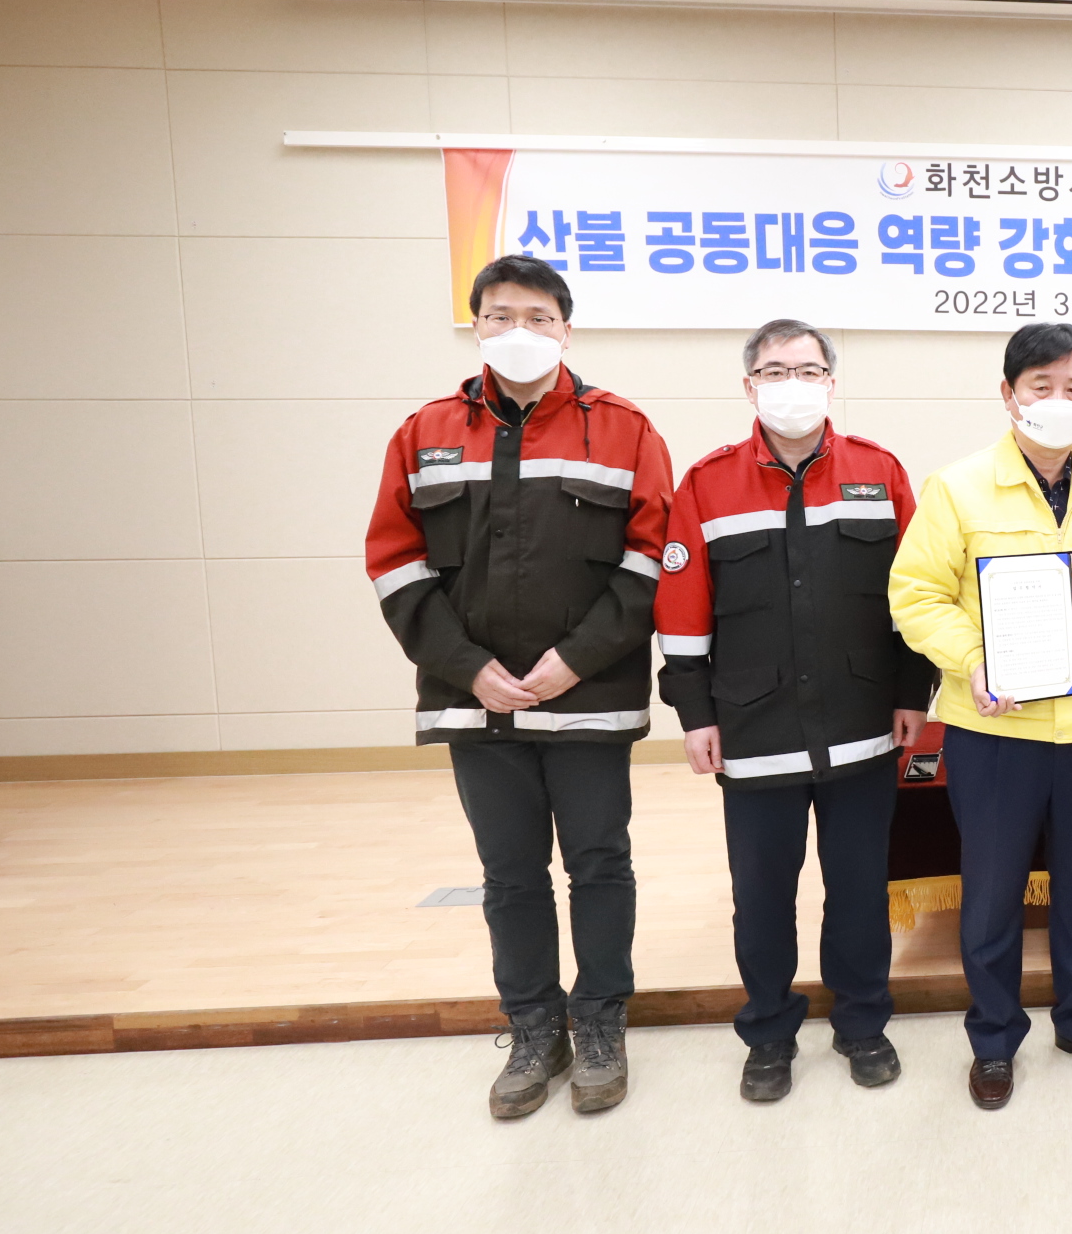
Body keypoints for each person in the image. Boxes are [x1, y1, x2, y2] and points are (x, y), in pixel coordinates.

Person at [363, 255, 673, 1118]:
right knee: (509, 874)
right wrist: (468, 668)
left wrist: (576, 659)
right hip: (477, 702)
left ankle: (601, 1022)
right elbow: (395, 562)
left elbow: (654, 557)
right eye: (500, 315)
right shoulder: (424, 432)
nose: (519, 331)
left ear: (567, 329)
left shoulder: (624, 429)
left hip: (591, 696)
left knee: (599, 864)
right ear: (475, 326)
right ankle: (535, 1029)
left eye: (538, 317)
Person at [886, 323, 1072, 1110]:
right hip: (994, 730)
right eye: (1041, 386)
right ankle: (993, 1039)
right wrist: (974, 660)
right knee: (991, 893)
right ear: (1009, 395)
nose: (1058, 400)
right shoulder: (958, 487)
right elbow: (915, 595)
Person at [654, 319, 935, 1102]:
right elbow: (682, 612)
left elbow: (913, 597)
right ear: (749, 386)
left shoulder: (880, 472)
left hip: (863, 726)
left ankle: (863, 1022)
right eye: (775, 371)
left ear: (832, 382)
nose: (793, 384)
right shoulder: (707, 483)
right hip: (754, 732)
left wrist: (912, 694)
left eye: (808, 370)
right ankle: (769, 1032)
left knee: (859, 891)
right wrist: (695, 714)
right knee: (762, 899)